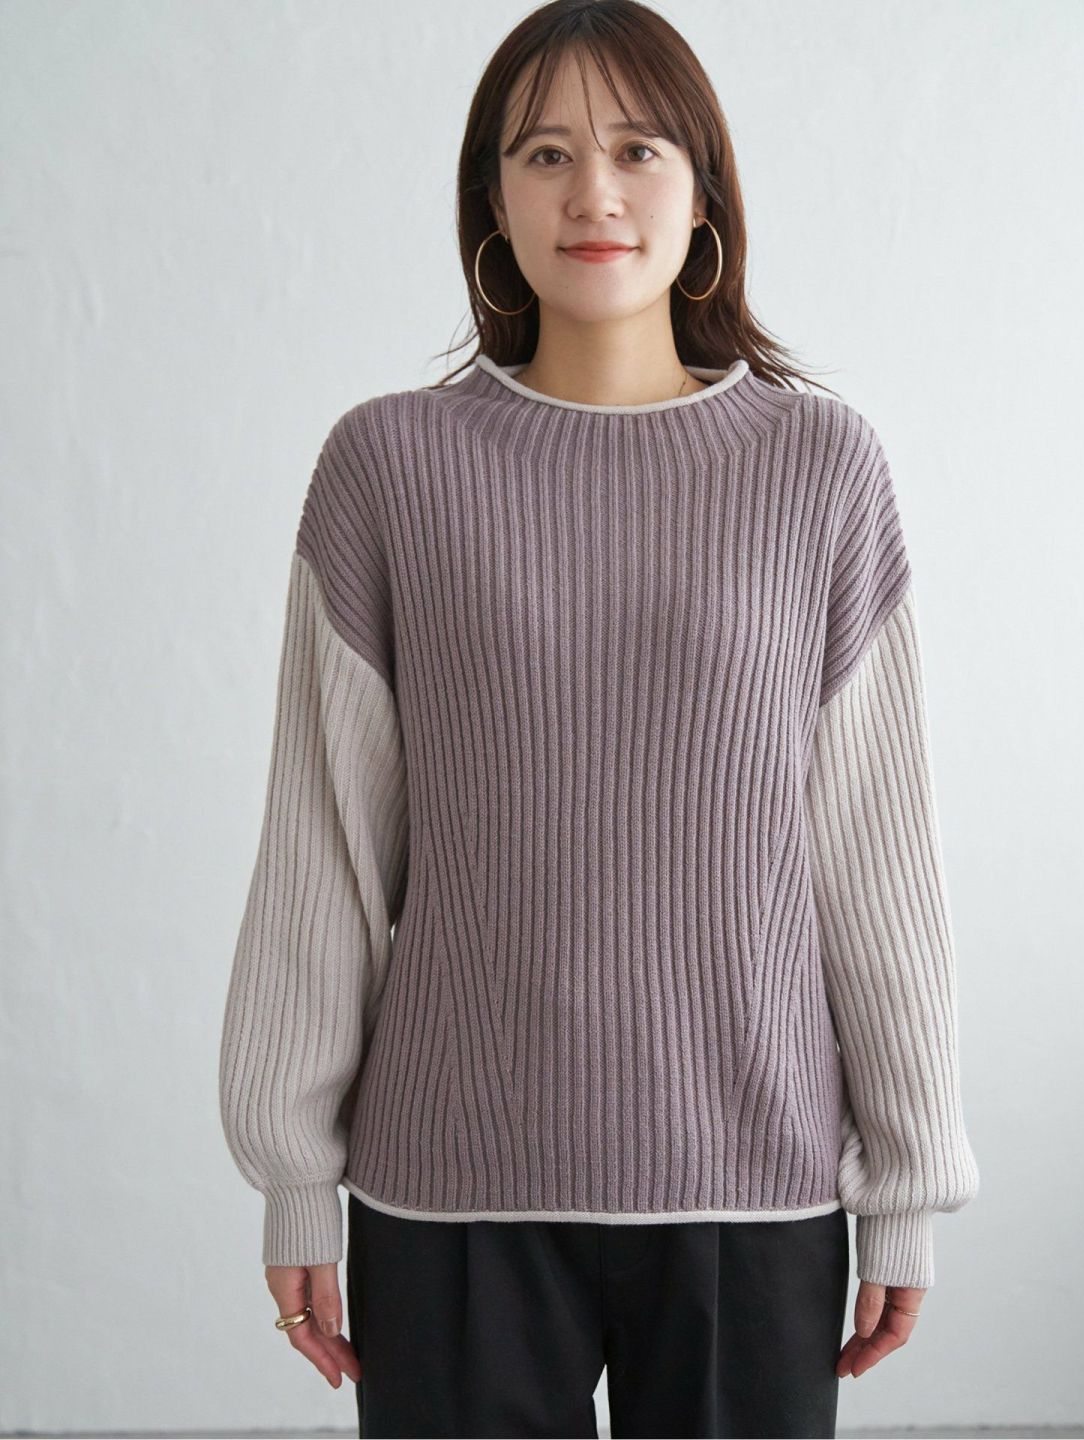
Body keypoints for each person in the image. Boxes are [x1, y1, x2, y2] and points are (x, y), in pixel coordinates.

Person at [217, 2, 981, 1435]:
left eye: (637, 149)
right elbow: (323, 848)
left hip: (752, 1184)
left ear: (704, 194)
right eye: (547, 154)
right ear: (492, 201)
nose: (594, 194)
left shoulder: (820, 469)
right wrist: (294, 1177)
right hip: (450, 1187)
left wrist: (906, 1185)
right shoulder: (388, 468)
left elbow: (873, 859)